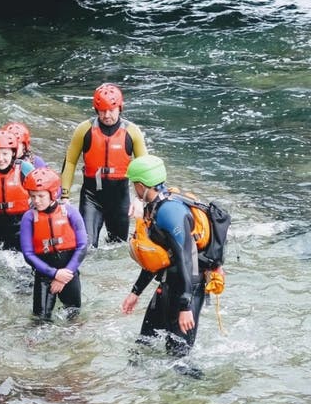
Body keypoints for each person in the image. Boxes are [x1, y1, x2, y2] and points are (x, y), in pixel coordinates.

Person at [121, 154, 206, 360]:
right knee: (143, 346)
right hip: (168, 285)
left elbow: (186, 257)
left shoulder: (170, 212)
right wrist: (136, 292)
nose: (134, 189)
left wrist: (186, 305)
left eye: (134, 184)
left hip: (188, 289)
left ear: (141, 185)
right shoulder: (154, 208)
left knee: (178, 359)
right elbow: (157, 258)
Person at [59, 83, 148, 247]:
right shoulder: (84, 129)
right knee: (86, 246)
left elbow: (146, 168)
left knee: (118, 246)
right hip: (92, 196)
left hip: (120, 198)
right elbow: (70, 162)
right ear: (96, 109)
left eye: (111, 110)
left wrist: (140, 199)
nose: (107, 115)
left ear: (120, 108)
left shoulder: (132, 131)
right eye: (102, 111)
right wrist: (64, 197)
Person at [19, 166, 88, 321]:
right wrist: (55, 274)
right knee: (40, 321)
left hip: (69, 273)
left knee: (73, 317)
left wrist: (65, 275)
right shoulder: (28, 218)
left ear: (53, 194)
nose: (36, 201)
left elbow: (83, 246)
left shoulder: (70, 212)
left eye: (41, 196)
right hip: (44, 275)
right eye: (33, 196)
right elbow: (28, 254)